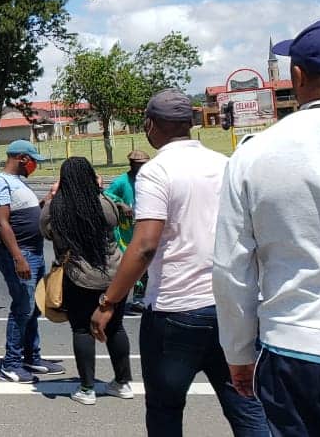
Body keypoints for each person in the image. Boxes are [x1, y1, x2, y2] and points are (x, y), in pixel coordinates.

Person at [214, 20, 320, 436]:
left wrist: (238, 351)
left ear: (297, 76)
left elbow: (232, 270)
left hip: (302, 348)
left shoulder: (255, 154)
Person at [90, 90, 268, 436]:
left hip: (175, 312)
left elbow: (144, 246)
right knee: (246, 405)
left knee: (165, 409)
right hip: (231, 306)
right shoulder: (225, 163)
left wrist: (108, 302)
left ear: (150, 125)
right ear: (190, 124)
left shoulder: (156, 172)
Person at [39, 158, 132, 405]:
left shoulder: (57, 208)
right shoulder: (105, 203)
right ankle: (122, 383)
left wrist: (51, 196)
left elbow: (46, 231)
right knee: (116, 328)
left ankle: (87, 388)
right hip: (114, 275)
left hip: (78, 277)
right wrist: (99, 189)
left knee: (81, 330)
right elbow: (116, 221)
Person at [0, 139, 64, 383]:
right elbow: (3, 223)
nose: (35, 166)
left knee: (34, 306)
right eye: (33, 161)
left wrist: (48, 200)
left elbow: (28, 213)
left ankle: (32, 357)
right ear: (22, 158)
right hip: (20, 253)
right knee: (23, 306)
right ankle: (11, 364)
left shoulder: (18, 183)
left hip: (34, 250)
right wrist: (19, 258)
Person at [104, 150, 150, 313]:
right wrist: (121, 204)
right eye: (140, 165)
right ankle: (115, 297)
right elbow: (106, 195)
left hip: (144, 227)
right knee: (124, 264)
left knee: (144, 265)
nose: (143, 167)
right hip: (125, 231)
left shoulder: (149, 179)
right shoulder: (122, 182)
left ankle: (138, 298)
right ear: (132, 165)